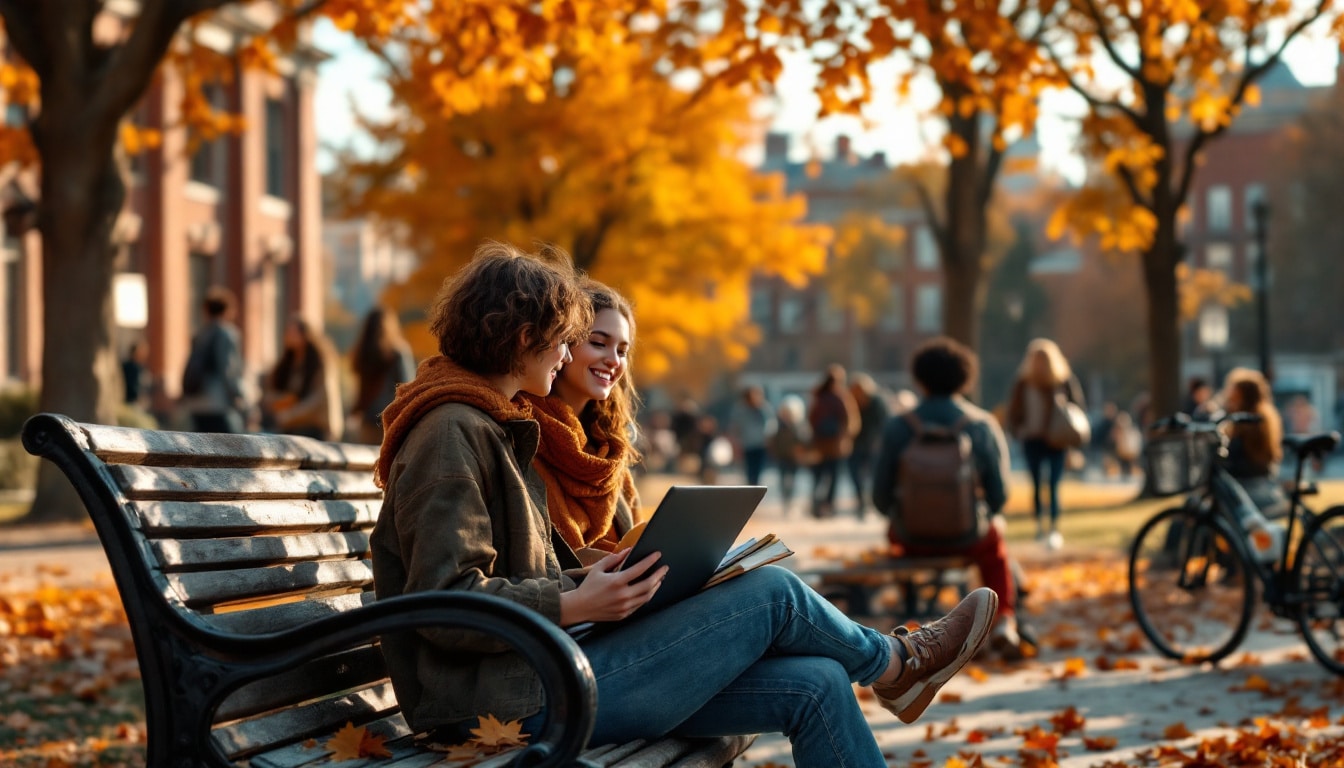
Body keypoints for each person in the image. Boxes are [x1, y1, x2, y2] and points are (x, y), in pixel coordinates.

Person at [367, 242, 999, 767]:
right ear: (524, 336)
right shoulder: (452, 432)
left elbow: (501, 579)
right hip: (503, 699)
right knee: (775, 594)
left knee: (819, 682)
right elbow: (445, 602)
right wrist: (574, 599)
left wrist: (588, 579)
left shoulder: (487, 424)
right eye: (566, 338)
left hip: (539, 670)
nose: (566, 355)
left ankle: (890, 666)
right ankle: (896, 664)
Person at [873, 336, 1024, 660]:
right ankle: (1003, 622)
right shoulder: (981, 425)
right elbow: (999, 497)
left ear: (919, 378)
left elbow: (880, 499)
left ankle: (912, 619)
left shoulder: (898, 427)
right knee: (995, 544)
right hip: (968, 539)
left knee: (892, 534)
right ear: (965, 377)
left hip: (910, 538)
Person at [520, 278, 641, 560]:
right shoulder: (520, 431)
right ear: (561, 343)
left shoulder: (609, 446)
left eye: (622, 351)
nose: (614, 361)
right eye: (599, 343)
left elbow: (634, 537)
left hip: (635, 594)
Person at [1005, 338, 1085, 550]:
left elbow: (1077, 406)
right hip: (1031, 439)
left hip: (1056, 439)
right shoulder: (1023, 383)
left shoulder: (1061, 381)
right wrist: (1016, 430)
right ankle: (1039, 524)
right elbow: (1013, 411)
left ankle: (1055, 525)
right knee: (1037, 484)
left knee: (1054, 484)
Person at [1219, 368, 1289, 517]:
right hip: (1262, 485)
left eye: (1234, 393)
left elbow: (1244, 463)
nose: (1229, 396)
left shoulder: (1250, 422)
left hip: (1250, 488)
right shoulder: (1263, 417)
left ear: (1243, 396)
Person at [179, 286, 248, 433]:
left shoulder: (200, 334)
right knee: (234, 448)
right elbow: (229, 370)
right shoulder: (228, 334)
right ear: (228, 310)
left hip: (196, 402)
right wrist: (239, 397)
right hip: (218, 403)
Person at [264, 315, 344, 441]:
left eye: (293, 331)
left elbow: (319, 398)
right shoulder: (288, 363)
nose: (289, 335)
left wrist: (289, 415)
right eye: (288, 331)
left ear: (305, 334)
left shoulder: (320, 363)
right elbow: (281, 393)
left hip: (316, 428)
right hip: (291, 428)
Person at [349, 307, 417, 445]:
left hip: (367, 421)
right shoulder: (398, 352)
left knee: (368, 463)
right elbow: (407, 386)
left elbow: (360, 390)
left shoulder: (362, 354)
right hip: (391, 421)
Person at [808, 364, 860, 519]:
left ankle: (816, 504)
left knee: (818, 477)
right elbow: (851, 421)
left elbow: (811, 418)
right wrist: (846, 437)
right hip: (836, 445)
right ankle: (828, 505)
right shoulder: (842, 397)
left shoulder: (818, 396)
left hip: (820, 445)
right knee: (833, 477)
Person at [847, 372, 890, 520]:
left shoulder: (877, 402)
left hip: (873, 445)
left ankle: (871, 501)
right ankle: (861, 500)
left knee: (872, 475)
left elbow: (884, 424)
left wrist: (879, 441)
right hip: (856, 444)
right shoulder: (851, 402)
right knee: (854, 474)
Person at [767, 395, 809, 515]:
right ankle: (785, 501)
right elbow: (773, 441)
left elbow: (803, 440)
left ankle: (790, 501)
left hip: (794, 457)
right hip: (782, 456)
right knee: (783, 479)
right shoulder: (777, 425)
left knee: (793, 480)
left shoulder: (798, 426)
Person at [728, 385, 775, 487]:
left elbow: (770, 423)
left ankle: (755, 485)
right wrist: (735, 442)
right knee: (749, 468)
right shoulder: (740, 409)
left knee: (758, 468)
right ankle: (751, 485)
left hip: (761, 444)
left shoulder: (763, 408)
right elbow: (735, 425)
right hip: (747, 443)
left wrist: (769, 437)